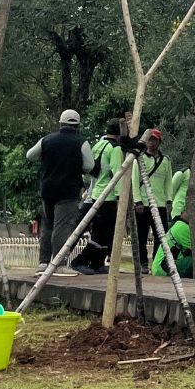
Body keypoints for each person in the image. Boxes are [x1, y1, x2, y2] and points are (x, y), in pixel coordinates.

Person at [26, 108, 94, 277]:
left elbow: (30, 156)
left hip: (47, 189)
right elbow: (89, 166)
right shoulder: (81, 142)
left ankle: (43, 263)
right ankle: (59, 263)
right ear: (77, 125)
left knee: (47, 225)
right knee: (62, 227)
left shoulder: (47, 140)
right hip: (68, 191)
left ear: (61, 123)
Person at [72, 119, 124, 275]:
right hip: (107, 196)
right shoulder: (115, 149)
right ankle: (79, 260)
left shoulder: (98, 144)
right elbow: (117, 173)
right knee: (101, 233)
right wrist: (121, 196)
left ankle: (97, 262)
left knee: (105, 232)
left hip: (95, 193)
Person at [131, 129, 173, 270]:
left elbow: (168, 182)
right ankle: (142, 263)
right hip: (143, 203)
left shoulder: (165, 160)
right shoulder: (140, 159)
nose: (151, 143)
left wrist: (169, 200)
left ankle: (157, 262)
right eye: (149, 140)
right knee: (141, 236)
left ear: (159, 142)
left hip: (159, 203)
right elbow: (135, 181)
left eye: (154, 140)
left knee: (160, 236)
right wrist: (137, 201)